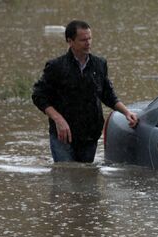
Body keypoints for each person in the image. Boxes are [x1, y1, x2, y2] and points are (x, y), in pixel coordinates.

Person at [32, 20, 138, 163]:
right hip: (63, 135)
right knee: (65, 177)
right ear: (70, 41)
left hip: (90, 135)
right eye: (83, 40)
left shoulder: (100, 64)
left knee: (85, 178)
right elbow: (38, 96)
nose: (88, 43)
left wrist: (127, 113)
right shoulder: (56, 66)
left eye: (90, 38)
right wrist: (58, 119)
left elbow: (108, 95)